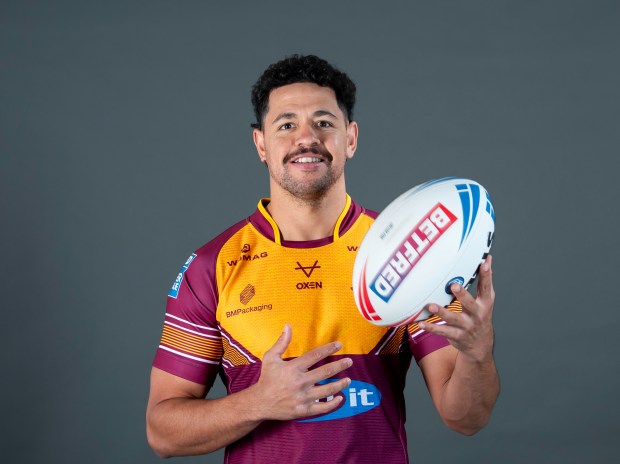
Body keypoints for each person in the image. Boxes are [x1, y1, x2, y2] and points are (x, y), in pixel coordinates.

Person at [146, 54, 499, 463]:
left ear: (350, 138)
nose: (306, 137)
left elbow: (466, 419)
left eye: (324, 122)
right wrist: (259, 402)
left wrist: (478, 351)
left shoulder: (409, 254)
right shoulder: (213, 267)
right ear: (261, 143)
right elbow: (163, 433)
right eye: (286, 124)